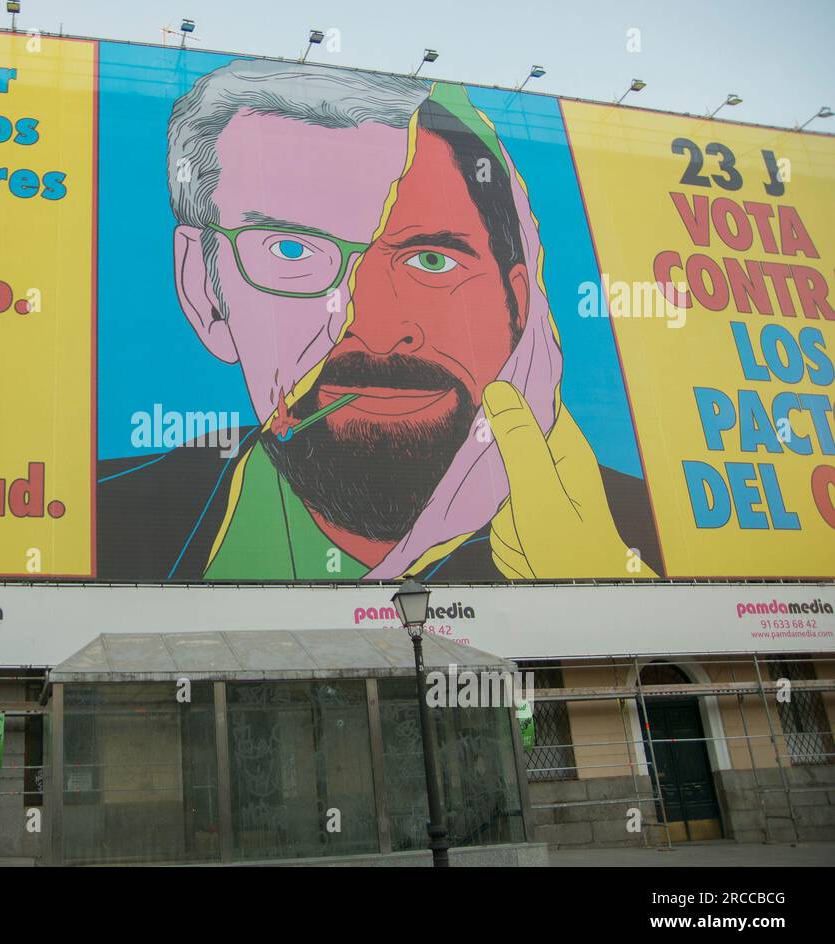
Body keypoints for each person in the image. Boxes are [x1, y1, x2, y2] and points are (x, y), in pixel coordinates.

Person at [98, 71, 660, 581]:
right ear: (205, 290)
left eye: (431, 260)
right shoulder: (102, 521)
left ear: (519, 305)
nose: (377, 329)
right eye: (292, 250)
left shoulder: (632, 540)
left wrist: (605, 590)